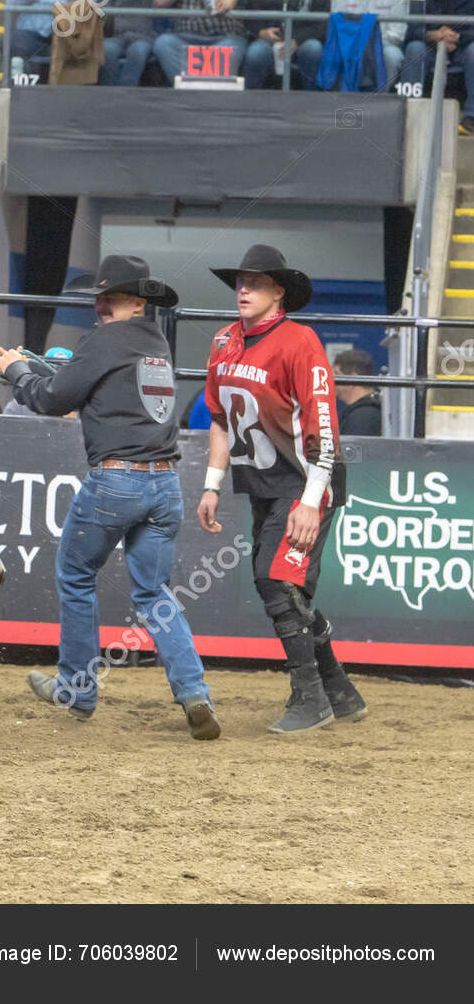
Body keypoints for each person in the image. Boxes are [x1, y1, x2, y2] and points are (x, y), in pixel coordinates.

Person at [0, 256, 219, 740]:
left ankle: (77, 688)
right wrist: (29, 368)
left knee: (75, 574)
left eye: (109, 298)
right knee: (155, 595)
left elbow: (53, 399)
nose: (100, 306)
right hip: (164, 483)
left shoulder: (104, 340)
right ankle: (194, 692)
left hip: (117, 480)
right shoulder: (155, 343)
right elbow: (77, 383)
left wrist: (15, 373)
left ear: (137, 302)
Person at [197, 245, 368, 733]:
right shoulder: (223, 341)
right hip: (265, 483)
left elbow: (324, 430)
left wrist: (311, 502)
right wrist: (212, 484)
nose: (243, 289)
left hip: (306, 479)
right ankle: (338, 690)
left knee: (277, 582)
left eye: (256, 282)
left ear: (279, 293)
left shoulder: (300, 341)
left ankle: (310, 697)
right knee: (283, 587)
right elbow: (218, 417)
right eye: (240, 281)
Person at [405, 0, 474, 131]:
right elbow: (410, 30)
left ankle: (471, 117)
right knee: (413, 48)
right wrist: (432, 35)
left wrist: (457, 37)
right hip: (429, 47)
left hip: (462, 47)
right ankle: (409, 111)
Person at [331, 0, 409, 89]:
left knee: (392, 55)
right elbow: (337, 27)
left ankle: (382, 98)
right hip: (351, 43)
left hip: (385, 45)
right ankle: (344, 99)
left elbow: (398, 33)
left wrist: (371, 43)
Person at [333, 349, 383, 434]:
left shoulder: (363, 417)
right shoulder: (364, 412)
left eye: (337, 374)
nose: (333, 381)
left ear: (353, 378)